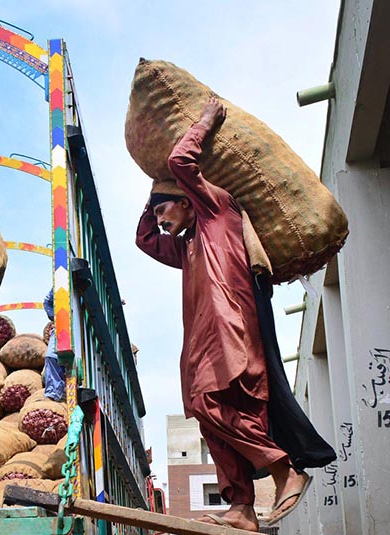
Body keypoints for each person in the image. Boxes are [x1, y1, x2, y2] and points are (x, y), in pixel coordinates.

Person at [135, 98, 331, 530]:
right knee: (206, 412)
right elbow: (145, 240)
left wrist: (203, 123)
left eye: (164, 208)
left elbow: (180, 161)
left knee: (216, 403)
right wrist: (152, 194)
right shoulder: (186, 246)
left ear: (188, 201)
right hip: (201, 342)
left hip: (233, 328)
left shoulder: (216, 212)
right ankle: (241, 507)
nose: (159, 218)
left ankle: (284, 469)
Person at [42, 289, 66, 401]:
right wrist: (56, 318)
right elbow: (47, 301)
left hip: (85, 329)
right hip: (63, 327)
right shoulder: (62, 280)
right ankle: (54, 393)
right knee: (51, 356)